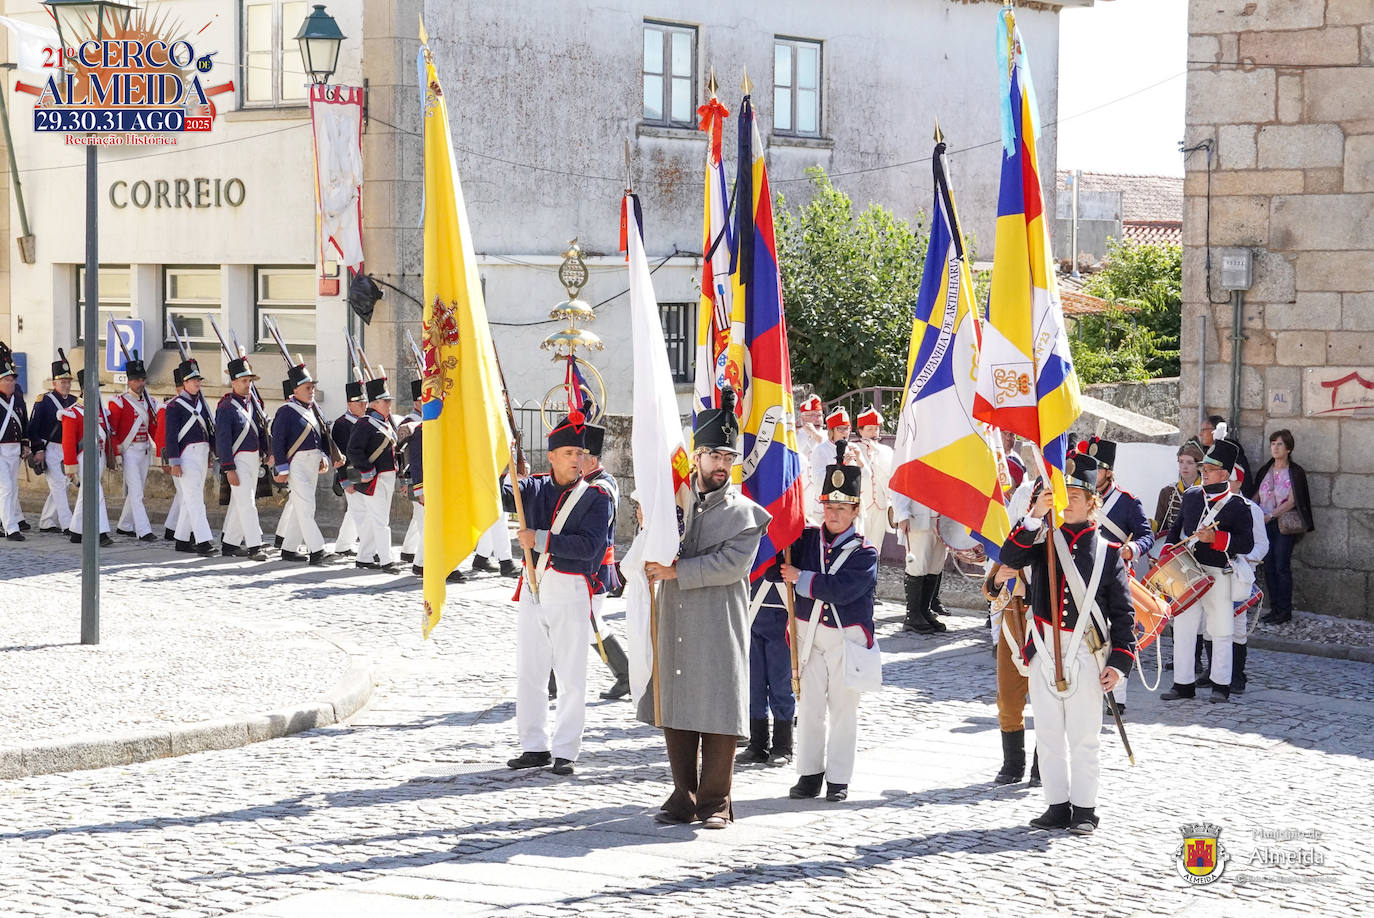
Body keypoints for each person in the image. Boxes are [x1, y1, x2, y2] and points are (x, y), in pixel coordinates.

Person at [638, 387, 771, 828]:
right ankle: (683, 795)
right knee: (675, 706)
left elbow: (731, 566)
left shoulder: (749, 514)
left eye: (728, 457)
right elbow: (655, 545)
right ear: (696, 456)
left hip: (718, 619)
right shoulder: (672, 501)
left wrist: (676, 571)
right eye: (713, 455)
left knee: (717, 707)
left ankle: (716, 801)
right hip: (675, 614)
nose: (721, 464)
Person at [999, 454, 1136, 835]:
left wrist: (1120, 663)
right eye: (1064, 494)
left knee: (1084, 737)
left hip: (1087, 652)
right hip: (1044, 647)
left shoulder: (1108, 552)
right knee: (1046, 732)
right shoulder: (1044, 540)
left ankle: (1085, 809)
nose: (1069, 500)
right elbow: (1009, 557)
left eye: (1076, 494)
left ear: (1093, 502)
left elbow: (1124, 615)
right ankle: (1056, 806)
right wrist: (1032, 517)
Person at [503, 411, 615, 777]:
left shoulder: (596, 497)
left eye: (579, 453)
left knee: (570, 675)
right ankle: (534, 745)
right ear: (551, 456)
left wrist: (542, 539)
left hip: (570, 587)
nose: (576, 460)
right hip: (534, 586)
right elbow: (502, 495)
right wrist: (501, 461)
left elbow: (590, 548)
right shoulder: (532, 487)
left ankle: (566, 749)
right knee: (530, 672)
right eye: (568, 452)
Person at [771, 440, 879, 803]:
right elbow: (776, 568)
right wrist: (779, 544)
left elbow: (843, 589)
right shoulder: (804, 539)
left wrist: (799, 576)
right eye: (829, 506)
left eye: (841, 508)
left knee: (844, 712)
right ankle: (809, 773)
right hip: (809, 635)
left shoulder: (865, 552)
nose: (833, 514)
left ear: (854, 510)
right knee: (811, 708)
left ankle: (838, 779)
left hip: (845, 639)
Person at [1162, 439, 1254, 704]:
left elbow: (1245, 543)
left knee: (1221, 630)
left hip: (1218, 573)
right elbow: (1175, 528)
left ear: (1224, 474)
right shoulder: (1191, 496)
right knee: (1183, 628)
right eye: (1204, 466)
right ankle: (1183, 684)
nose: (1204, 471)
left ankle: (1221, 685)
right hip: (1189, 571)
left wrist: (1216, 539)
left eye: (1210, 468)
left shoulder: (1238, 506)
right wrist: (1168, 550)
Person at [1084, 437, 1152, 716]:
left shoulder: (1127, 502)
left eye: (1097, 469)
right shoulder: (1080, 497)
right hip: (1084, 574)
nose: (1093, 474)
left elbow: (1147, 535)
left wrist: (1131, 549)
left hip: (1114, 574)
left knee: (1116, 633)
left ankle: (1116, 697)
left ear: (1108, 471)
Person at [577, 424, 632, 700]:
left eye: (580, 455)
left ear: (593, 459)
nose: (575, 461)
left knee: (588, 624)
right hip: (591, 565)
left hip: (595, 566)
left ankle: (626, 675)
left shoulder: (600, 487)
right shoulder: (593, 482)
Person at [1245, 428, 1314, 626]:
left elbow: (1293, 501)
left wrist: (1270, 515)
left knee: (1281, 566)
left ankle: (1285, 611)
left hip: (1283, 525)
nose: (1275, 448)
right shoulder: (1266, 470)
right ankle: (1274, 608)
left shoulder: (1295, 472)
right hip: (1264, 523)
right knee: (1268, 567)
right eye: (1273, 443)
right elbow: (1257, 494)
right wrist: (1252, 511)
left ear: (1289, 448)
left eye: (1279, 444)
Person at [271, 361, 337, 565]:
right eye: (308, 387)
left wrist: (324, 457)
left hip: (313, 462)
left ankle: (289, 548)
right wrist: (281, 468)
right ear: (296, 389)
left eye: (313, 387)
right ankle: (317, 550)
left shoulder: (312, 409)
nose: (312, 391)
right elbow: (278, 440)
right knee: (307, 506)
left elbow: (322, 437)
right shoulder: (286, 411)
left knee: (303, 506)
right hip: (296, 464)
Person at [215, 357, 269, 561]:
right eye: (244, 381)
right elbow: (223, 440)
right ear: (234, 382)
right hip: (237, 461)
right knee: (247, 503)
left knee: (241, 503)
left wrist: (267, 451)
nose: (248, 385)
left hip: (254, 459)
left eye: (250, 381)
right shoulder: (226, 407)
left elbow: (260, 431)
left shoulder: (252, 404)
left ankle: (229, 545)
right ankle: (255, 546)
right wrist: (228, 468)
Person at [346, 374, 400, 572]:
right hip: (374, 478)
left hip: (387, 476)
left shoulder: (385, 423)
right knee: (381, 521)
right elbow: (353, 450)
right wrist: (367, 470)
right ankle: (387, 560)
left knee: (375, 519)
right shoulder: (365, 423)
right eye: (386, 401)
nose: (389, 405)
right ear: (375, 403)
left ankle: (364, 557)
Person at [163, 358, 217, 556]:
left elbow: (208, 430)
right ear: (184, 383)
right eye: (193, 380)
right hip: (186, 456)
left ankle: (182, 540)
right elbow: (170, 437)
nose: (197, 383)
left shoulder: (201, 402)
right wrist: (174, 462)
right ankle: (203, 541)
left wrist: (211, 452)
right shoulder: (174, 406)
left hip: (202, 454)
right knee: (195, 499)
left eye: (198, 380)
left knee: (190, 499)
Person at [105, 352, 159, 541]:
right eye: (136, 380)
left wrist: (161, 449)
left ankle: (124, 525)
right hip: (128, 451)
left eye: (142, 379)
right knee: (136, 492)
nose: (140, 383)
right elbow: (112, 429)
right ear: (129, 381)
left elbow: (154, 428)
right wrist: (116, 451)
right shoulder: (118, 402)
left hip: (145, 450)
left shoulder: (151, 402)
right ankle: (143, 530)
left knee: (137, 490)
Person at [61, 369, 114, 547]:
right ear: (84, 389)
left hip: (98, 458)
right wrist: (70, 468)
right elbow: (68, 443)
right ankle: (101, 533)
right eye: (94, 387)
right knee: (96, 494)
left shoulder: (99, 412)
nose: (97, 391)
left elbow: (107, 436)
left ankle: (76, 532)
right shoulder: (73, 412)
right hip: (83, 460)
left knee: (86, 495)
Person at [28, 350, 77, 534]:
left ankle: (47, 521)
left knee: (62, 484)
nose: (66, 385)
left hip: (68, 447)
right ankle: (68, 524)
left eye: (68, 382)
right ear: (54, 383)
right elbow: (33, 428)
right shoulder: (44, 401)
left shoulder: (74, 401)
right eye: (62, 382)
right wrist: (38, 449)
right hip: (50, 448)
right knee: (58, 483)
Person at [891, 493, 947, 634]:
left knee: (935, 566)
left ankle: (924, 611)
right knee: (918, 565)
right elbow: (900, 484)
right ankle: (913, 615)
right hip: (919, 516)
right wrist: (902, 514)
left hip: (943, 518)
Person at [330, 379, 369, 557]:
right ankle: (370, 549)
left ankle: (343, 545)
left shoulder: (367, 422)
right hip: (351, 475)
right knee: (361, 512)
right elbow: (340, 456)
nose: (363, 405)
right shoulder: (341, 425)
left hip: (367, 473)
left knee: (355, 511)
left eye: (364, 401)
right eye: (359, 402)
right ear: (349, 404)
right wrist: (344, 480)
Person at [852, 406, 893, 546]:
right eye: (869, 429)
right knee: (859, 543)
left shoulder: (886, 451)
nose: (873, 433)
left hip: (880, 505)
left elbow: (890, 473)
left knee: (875, 546)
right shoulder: (852, 448)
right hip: (862, 503)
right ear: (860, 431)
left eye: (876, 429)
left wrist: (877, 452)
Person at [0, 344, 29, 540]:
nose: (11, 383)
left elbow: (24, 421)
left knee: (11, 487)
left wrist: (25, 444)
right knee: (6, 488)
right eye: (7, 379)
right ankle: (11, 528)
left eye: (12, 379)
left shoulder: (17, 399)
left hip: (14, 449)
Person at [155, 365, 186, 541]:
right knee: (185, 494)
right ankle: (182, 531)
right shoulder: (169, 407)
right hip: (175, 456)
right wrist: (164, 460)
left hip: (188, 455)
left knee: (182, 493)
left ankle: (172, 527)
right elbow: (162, 436)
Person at [1152, 441, 1204, 542]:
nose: (1184, 466)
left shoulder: (1206, 492)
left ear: (1198, 466)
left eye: (1189, 462)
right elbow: (1161, 526)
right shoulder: (1167, 492)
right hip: (1172, 545)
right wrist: (1150, 524)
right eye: (1181, 461)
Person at [398, 380, 424, 566]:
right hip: (414, 476)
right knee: (424, 520)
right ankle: (422, 562)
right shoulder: (410, 423)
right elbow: (405, 456)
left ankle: (408, 551)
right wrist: (404, 482)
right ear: (416, 402)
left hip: (418, 475)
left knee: (419, 516)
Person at [1199, 415, 1250, 481]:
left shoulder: (1231, 454)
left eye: (1203, 430)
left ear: (1215, 430)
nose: (1200, 434)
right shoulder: (1205, 452)